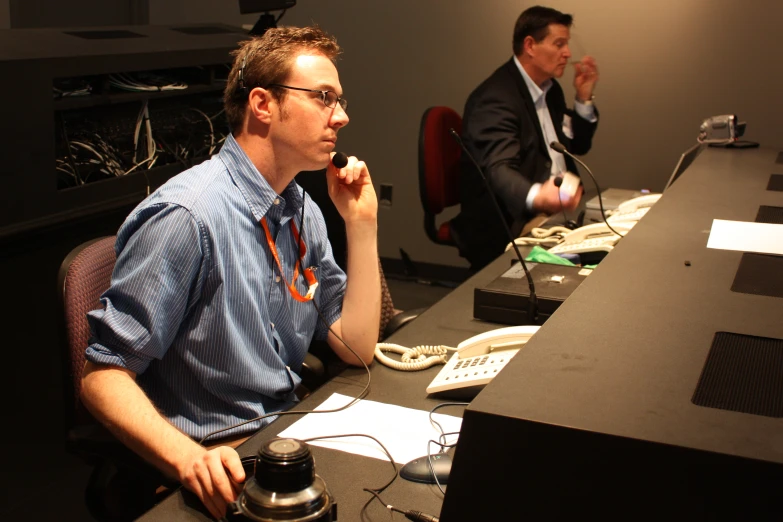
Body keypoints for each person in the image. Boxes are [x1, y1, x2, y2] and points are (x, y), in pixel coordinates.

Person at [80, 26, 380, 520]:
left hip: (282, 436)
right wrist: (188, 459)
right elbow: (102, 377)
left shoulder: (300, 208)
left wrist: (362, 225)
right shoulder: (187, 217)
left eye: (341, 100)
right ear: (263, 105)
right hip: (221, 454)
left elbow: (355, 345)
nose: (342, 116)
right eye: (325, 98)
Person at [450, 5, 600, 270]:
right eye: (559, 44)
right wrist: (537, 196)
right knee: (589, 267)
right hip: (513, 217)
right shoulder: (495, 98)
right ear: (530, 45)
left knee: (607, 240)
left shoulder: (550, 89)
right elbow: (497, 169)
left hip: (557, 208)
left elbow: (578, 145)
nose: (568, 53)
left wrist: (584, 98)